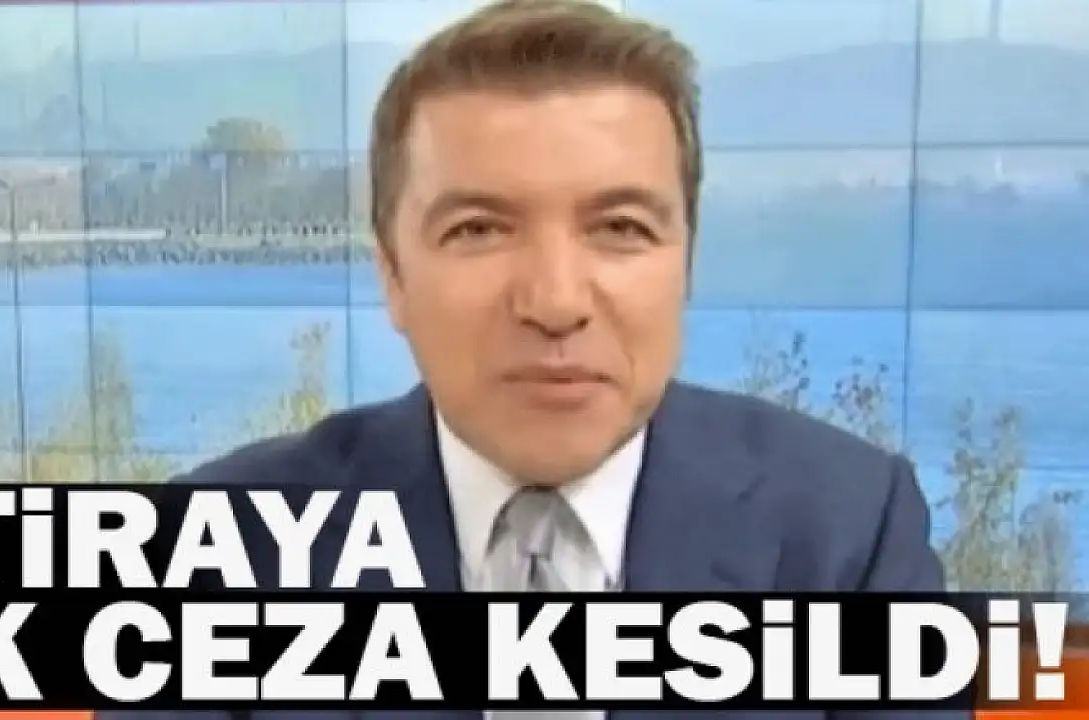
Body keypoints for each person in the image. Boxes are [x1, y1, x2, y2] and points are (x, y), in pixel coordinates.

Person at [103, 0, 957, 718]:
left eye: (620, 228)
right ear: (393, 274)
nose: (554, 301)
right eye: (479, 229)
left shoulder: (850, 535)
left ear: (686, 263)